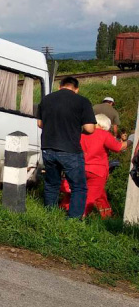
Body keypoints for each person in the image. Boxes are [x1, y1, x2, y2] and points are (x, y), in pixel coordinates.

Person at [37, 76, 96, 219]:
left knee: (51, 184)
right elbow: (90, 128)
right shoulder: (82, 101)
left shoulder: (46, 99)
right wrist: (76, 128)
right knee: (78, 186)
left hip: (48, 147)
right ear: (76, 89)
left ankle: (49, 216)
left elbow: (40, 124)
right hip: (70, 149)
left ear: (60, 86)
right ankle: (73, 220)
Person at [80, 114, 126, 217]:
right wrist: (131, 140)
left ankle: (66, 212)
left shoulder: (82, 134)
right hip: (97, 171)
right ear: (105, 125)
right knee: (90, 198)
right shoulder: (104, 134)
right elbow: (118, 148)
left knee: (79, 194)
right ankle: (79, 219)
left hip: (81, 168)